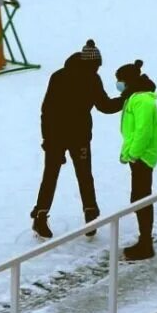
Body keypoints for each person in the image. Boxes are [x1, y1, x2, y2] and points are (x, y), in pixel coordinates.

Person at [32, 40, 117, 239]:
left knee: (83, 175)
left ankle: (90, 214)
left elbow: (104, 105)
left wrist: (126, 98)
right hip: (58, 137)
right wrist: (48, 139)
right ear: (89, 63)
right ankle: (41, 216)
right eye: (96, 65)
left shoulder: (92, 79)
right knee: (54, 176)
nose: (98, 68)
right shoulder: (61, 77)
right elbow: (48, 110)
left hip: (78, 137)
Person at [114, 59, 157, 259]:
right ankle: (145, 240)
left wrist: (133, 154)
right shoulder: (136, 97)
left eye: (120, 81)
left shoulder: (142, 101)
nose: (118, 85)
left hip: (143, 157)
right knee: (139, 198)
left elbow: (142, 131)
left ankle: (146, 243)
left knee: (141, 199)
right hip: (139, 156)